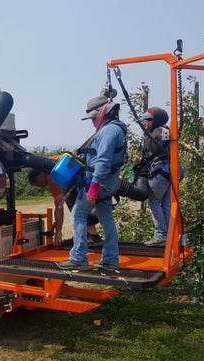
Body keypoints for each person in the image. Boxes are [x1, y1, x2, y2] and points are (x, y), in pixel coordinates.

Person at [56, 91, 127, 271]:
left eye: (93, 117)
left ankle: (79, 258)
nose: (93, 121)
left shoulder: (109, 131)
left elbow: (103, 161)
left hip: (99, 183)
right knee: (106, 219)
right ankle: (110, 260)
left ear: (103, 113)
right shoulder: (112, 129)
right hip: (108, 183)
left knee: (78, 215)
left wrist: (93, 187)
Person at [27, 169, 102, 248]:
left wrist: (58, 232)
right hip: (97, 181)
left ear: (39, 176)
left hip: (90, 185)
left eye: (37, 184)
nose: (40, 187)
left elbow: (59, 203)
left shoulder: (51, 176)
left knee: (77, 213)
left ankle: (87, 238)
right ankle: (92, 234)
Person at [140, 107, 179, 247]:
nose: (145, 122)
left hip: (161, 171)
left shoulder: (157, 132)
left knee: (154, 202)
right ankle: (169, 234)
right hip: (169, 171)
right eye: (144, 119)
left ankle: (161, 235)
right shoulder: (164, 130)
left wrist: (146, 134)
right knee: (166, 204)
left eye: (149, 119)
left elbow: (156, 148)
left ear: (155, 121)